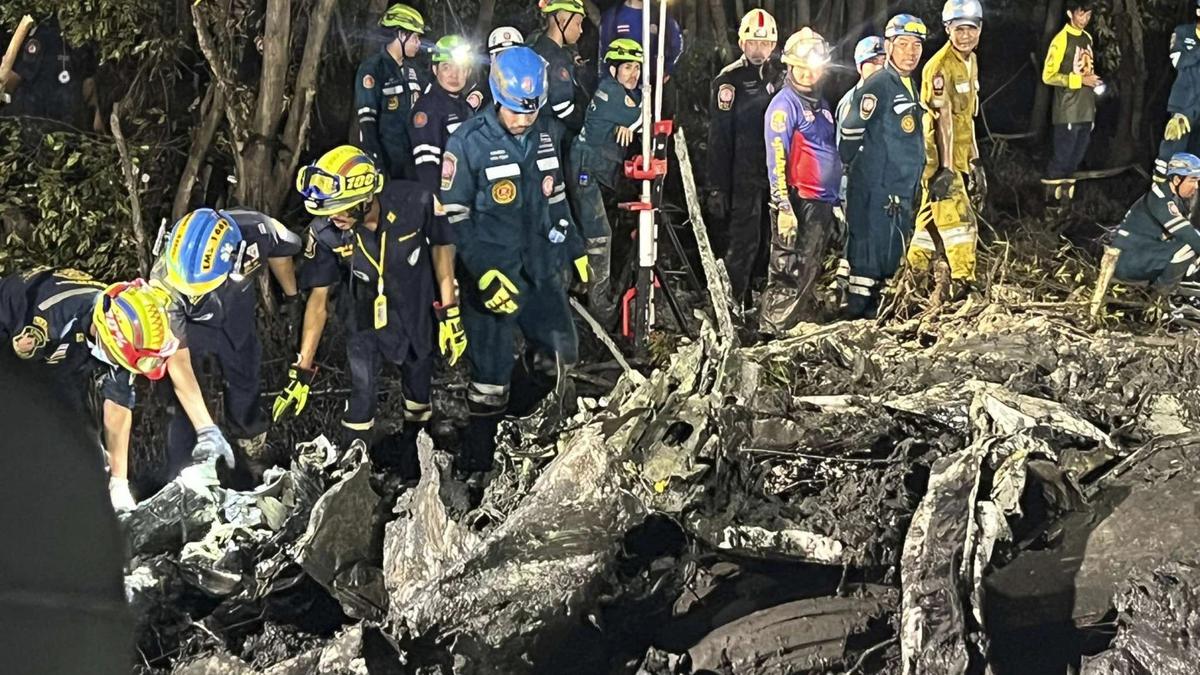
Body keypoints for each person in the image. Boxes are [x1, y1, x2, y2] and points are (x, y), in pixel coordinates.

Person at [440, 46, 586, 483]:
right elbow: (455, 216)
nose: (524, 119)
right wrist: (483, 271)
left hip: (540, 268)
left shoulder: (546, 133)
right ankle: (477, 459)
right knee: (490, 376)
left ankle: (517, 425)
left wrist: (575, 248)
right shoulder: (467, 142)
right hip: (492, 274)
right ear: (496, 97)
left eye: (531, 110)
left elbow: (555, 195)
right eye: (515, 110)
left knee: (560, 355)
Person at [276, 145, 460, 476]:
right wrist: (302, 369)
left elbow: (442, 248)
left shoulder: (416, 202)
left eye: (342, 209)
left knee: (419, 390)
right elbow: (318, 302)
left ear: (365, 198)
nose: (335, 217)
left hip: (414, 310)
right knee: (362, 394)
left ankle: (415, 461)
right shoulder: (325, 232)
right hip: (363, 317)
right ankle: (356, 472)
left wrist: (450, 312)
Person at [0, 269, 189, 511]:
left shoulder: (123, 330)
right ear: (106, 338)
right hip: (12, 330)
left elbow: (117, 408)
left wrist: (118, 483)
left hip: (62, 361)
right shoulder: (50, 323)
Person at [152, 207, 302, 479]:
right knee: (183, 397)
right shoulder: (164, 283)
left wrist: (292, 300)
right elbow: (179, 364)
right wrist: (207, 430)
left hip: (235, 311)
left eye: (199, 287)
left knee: (244, 367)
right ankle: (187, 468)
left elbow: (283, 251)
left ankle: (250, 444)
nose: (193, 293)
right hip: (191, 327)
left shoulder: (256, 230)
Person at [839, 15, 928, 320]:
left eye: (916, 44)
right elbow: (851, 129)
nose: (911, 51)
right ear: (889, 46)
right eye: (903, 44)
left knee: (891, 250)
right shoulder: (880, 83)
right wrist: (857, 167)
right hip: (877, 185)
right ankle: (855, 314)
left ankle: (879, 312)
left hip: (901, 186)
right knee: (869, 251)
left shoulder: (909, 84)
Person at [761, 28, 841, 332]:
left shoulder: (820, 104)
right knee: (787, 268)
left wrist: (836, 199)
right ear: (790, 67)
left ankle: (795, 323)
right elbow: (776, 158)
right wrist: (783, 207)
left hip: (819, 201)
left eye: (814, 68)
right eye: (802, 68)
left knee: (808, 265)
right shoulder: (784, 106)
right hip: (796, 201)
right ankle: (773, 330)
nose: (808, 74)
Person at [707, 8, 783, 306]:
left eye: (765, 43)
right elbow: (719, 137)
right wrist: (717, 186)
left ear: (774, 45)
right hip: (744, 176)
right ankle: (734, 302)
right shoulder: (730, 81)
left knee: (771, 241)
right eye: (753, 42)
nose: (759, 49)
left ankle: (766, 301)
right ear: (742, 43)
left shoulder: (783, 76)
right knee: (744, 243)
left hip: (776, 175)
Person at [567, 38, 644, 323]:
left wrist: (629, 124)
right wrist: (632, 123)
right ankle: (601, 312)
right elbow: (647, 114)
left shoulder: (623, 93)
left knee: (600, 230)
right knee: (599, 235)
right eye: (627, 67)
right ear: (613, 71)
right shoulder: (611, 93)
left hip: (597, 170)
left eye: (637, 67)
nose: (634, 74)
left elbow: (637, 112)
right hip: (586, 168)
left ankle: (584, 288)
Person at [909, 0, 985, 286]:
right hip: (940, 159)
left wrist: (975, 160)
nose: (965, 35)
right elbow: (944, 120)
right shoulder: (939, 67)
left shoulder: (971, 61)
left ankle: (913, 276)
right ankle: (963, 282)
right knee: (961, 222)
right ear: (947, 29)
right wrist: (947, 168)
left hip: (960, 155)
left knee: (929, 222)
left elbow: (968, 117)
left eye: (971, 28)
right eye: (959, 29)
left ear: (980, 28)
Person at [354, 3, 429, 180]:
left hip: (413, 161)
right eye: (415, 38)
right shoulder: (373, 69)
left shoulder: (414, 71)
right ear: (401, 35)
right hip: (389, 164)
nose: (418, 43)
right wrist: (376, 163)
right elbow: (367, 121)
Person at [1041, 0, 1101, 207]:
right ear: (1070, 13)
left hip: (1086, 110)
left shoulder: (1087, 38)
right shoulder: (1060, 39)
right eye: (1081, 14)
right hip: (1067, 110)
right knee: (1062, 159)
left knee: (1075, 160)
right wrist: (1079, 80)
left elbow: (1087, 71)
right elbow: (1048, 76)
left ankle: (1067, 207)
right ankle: (1050, 207)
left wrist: (1092, 86)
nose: (1085, 19)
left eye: (1089, 15)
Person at [1111, 153, 1200, 291]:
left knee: (1190, 245)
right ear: (1176, 179)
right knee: (1187, 247)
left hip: (1140, 254)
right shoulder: (1160, 199)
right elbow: (1187, 233)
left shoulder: (1174, 199)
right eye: (1192, 180)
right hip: (1127, 261)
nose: (1196, 186)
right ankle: (1159, 299)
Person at [0, 15, 102, 132]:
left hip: (62, 123)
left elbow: (91, 83)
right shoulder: (43, 32)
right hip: (44, 122)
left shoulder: (86, 33)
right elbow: (16, 78)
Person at [409, 35, 477, 192]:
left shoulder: (465, 108)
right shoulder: (427, 107)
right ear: (435, 70)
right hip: (444, 198)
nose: (454, 74)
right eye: (447, 67)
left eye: (460, 68)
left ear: (467, 72)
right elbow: (426, 164)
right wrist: (436, 202)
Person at [1155, 0, 1200, 182]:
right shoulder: (1183, 32)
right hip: (1185, 103)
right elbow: (1178, 61)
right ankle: (1160, 185)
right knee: (1173, 143)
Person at [531, 0, 590, 137]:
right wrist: (587, 125)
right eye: (577, 23)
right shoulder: (556, 59)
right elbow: (564, 109)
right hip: (552, 133)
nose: (581, 30)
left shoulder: (537, 47)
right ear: (563, 22)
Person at [598, 0, 684, 81]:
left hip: (649, 81)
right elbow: (604, 50)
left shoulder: (659, 16)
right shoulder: (613, 15)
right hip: (620, 83)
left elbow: (676, 43)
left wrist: (667, 69)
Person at [836, 37, 886, 146]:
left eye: (884, 61)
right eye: (873, 61)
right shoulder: (851, 103)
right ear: (859, 66)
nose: (880, 67)